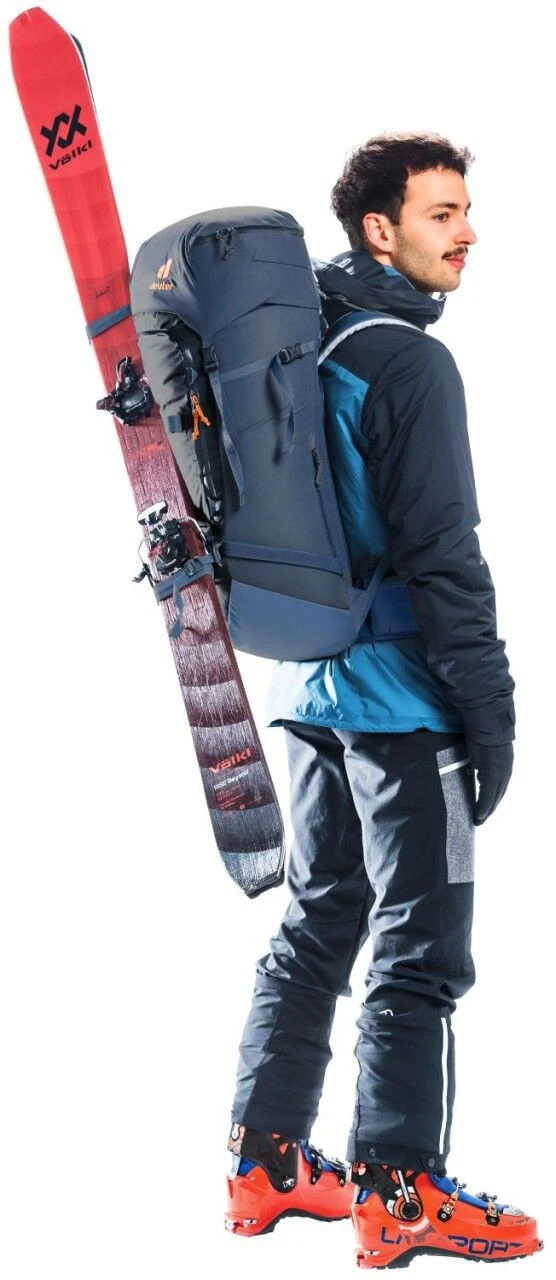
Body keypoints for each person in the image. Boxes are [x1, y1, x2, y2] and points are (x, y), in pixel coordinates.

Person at [224, 134, 542, 1267]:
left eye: (466, 210)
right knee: (421, 945)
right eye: (441, 213)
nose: (466, 232)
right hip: (403, 707)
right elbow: (443, 557)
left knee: (318, 920)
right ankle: (401, 1191)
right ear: (379, 229)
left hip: (307, 689)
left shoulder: (298, 347)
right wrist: (490, 714)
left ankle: (264, 1162)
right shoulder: (408, 363)